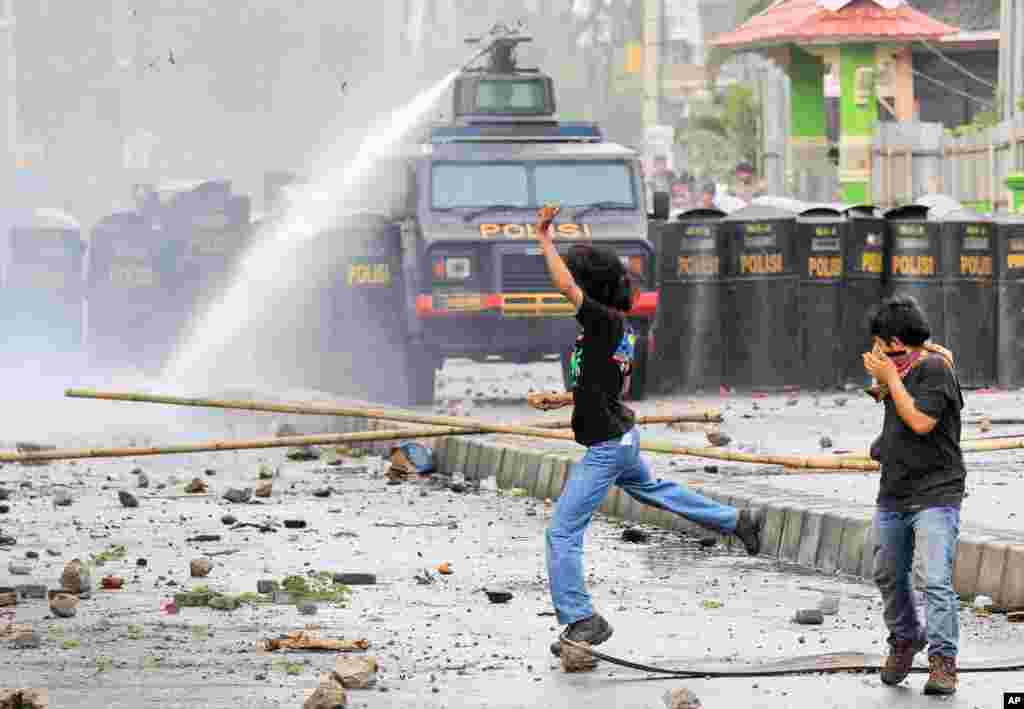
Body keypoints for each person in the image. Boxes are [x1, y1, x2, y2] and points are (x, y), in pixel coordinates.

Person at [531, 204, 765, 657]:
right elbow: (603, 383)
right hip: (622, 436)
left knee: (561, 532)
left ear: (587, 289)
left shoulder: (601, 320)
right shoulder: (616, 327)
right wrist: (561, 398)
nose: (567, 288)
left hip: (607, 447)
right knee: (655, 489)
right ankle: (739, 522)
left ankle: (582, 619)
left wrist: (544, 240)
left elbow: (562, 283)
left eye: (575, 282)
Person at [862, 294, 965, 696]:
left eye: (894, 351)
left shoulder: (936, 369)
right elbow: (885, 401)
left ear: (911, 343)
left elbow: (921, 422)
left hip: (937, 491)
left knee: (934, 579)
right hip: (895, 490)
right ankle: (905, 638)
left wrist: (890, 378)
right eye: (881, 349)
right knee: (888, 573)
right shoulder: (898, 369)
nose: (887, 358)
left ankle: (943, 662)